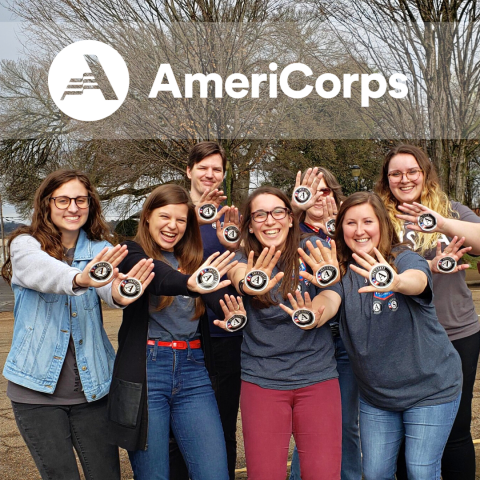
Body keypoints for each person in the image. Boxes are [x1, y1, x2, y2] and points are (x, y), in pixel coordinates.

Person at [1, 169, 155, 480]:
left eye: (80, 200)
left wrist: (121, 293)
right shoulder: (25, 245)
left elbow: (109, 288)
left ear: (90, 204)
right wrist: (80, 278)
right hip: (35, 392)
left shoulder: (100, 248)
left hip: (93, 392)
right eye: (63, 200)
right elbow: (42, 271)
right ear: (47, 203)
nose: (73, 207)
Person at [303, 191, 462, 479]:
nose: (359, 230)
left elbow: (418, 280)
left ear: (382, 224)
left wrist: (396, 281)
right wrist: (313, 314)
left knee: (420, 470)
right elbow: (330, 299)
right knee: (375, 472)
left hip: (430, 388)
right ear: (340, 229)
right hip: (377, 395)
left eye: (368, 221)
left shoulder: (404, 258)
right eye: (351, 223)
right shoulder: (340, 270)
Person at [107, 184, 238, 480]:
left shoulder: (193, 261)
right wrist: (190, 283)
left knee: (214, 473)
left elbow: (217, 296)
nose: (172, 226)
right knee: (154, 475)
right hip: (148, 371)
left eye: (181, 220)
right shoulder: (132, 253)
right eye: (165, 217)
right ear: (147, 217)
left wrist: (232, 311)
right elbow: (158, 276)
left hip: (193, 371)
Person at [214, 185, 342, 480]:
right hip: (262, 380)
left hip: (317, 378)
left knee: (323, 473)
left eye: (277, 212)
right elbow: (239, 277)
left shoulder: (312, 248)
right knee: (264, 474)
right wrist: (251, 282)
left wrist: (315, 315)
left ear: (290, 217)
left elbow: (332, 294)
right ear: (250, 224)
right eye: (260, 215)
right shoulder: (241, 257)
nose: (270, 221)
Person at [375, 144, 480, 480]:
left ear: (425, 174)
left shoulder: (451, 210)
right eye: (396, 173)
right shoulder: (377, 217)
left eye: (412, 171)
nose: (404, 179)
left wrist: (443, 223)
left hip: (455, 331)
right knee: (408, 434)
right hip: (400, 336)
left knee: (456, 430)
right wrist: (427, 267)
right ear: (386, 179)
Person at [168, 141, 242, 480]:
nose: (210, 174)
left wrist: (237, 245)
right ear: (189, 171)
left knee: (223, 424)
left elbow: (245, 264)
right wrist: (193, 218)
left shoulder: (230, 218)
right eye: (203, 168)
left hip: (223, 333)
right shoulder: (173, 212)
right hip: (182, 332)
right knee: (178, 430)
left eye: (217, 169)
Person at [290, 167, 361, 480]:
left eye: (325, 190)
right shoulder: (289, 231)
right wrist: (294, 210)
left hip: (346, 337)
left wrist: (336, 233)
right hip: (309, 338)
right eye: (312, 191)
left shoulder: (348, 231)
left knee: (346, 422)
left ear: (335, 194)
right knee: (311, 424)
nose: (319, 197)